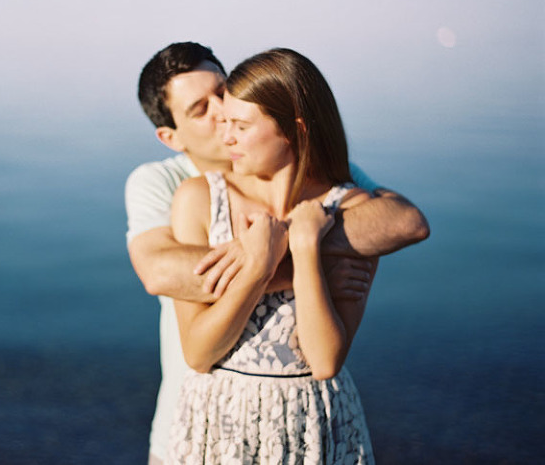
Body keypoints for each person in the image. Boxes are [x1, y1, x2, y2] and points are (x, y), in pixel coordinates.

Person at [125, 42, 429, 464]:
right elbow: (160, 272)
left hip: (310, 426)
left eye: (223, 92)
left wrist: (299, 245)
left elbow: (404, 221)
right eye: (201, 109)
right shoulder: (168, 185)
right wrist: (280, 261)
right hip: (201, 419)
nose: (221, 114)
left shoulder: (329, 186)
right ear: (170, 137)